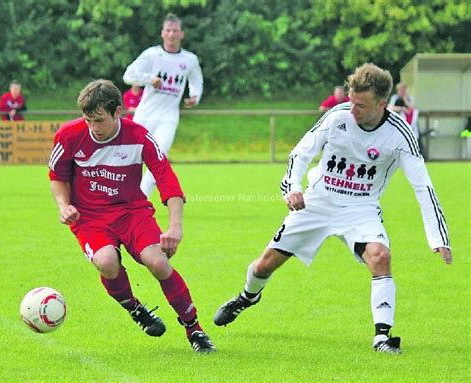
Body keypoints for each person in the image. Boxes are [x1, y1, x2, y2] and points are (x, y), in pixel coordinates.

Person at [214, 63, 452, 355]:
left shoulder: (400, 134)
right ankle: (247, 297)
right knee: (263, 265)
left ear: (382, 104)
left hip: (361, 208)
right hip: (318, 202)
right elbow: (300, 154)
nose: (353, 110)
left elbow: (423, 187)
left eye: (361, 105)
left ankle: (382, 337)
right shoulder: (337, 116)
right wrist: (293, 188)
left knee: (381, 257)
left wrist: (438, 237)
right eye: (351, 101)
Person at [48, 79, 215, 353]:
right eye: (88, 120)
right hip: (90, 218)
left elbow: (167, 179)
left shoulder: (139, 136)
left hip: (132, 212)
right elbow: (57, 176)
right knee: (106, 262)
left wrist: (175, 226)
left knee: (159, 263)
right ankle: (135, 308)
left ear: (118, 112)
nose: (94, 128)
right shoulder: (68, 135)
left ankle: (194, 329)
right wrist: (63, 205)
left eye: (99, 120)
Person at [123, 13, 203, 197]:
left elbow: (196, 82)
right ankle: (122, 194)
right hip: (145, 114)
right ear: (162, 33)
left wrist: (194, 97)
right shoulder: (152, 54)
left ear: (182, 34)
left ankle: (141, 198)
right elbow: (128, 75)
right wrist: (149, 79)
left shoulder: (189, 59)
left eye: (175, 31)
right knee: (130, 156)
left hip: (168, 116)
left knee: (159, 157)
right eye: (168, 30)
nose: (171, 34)